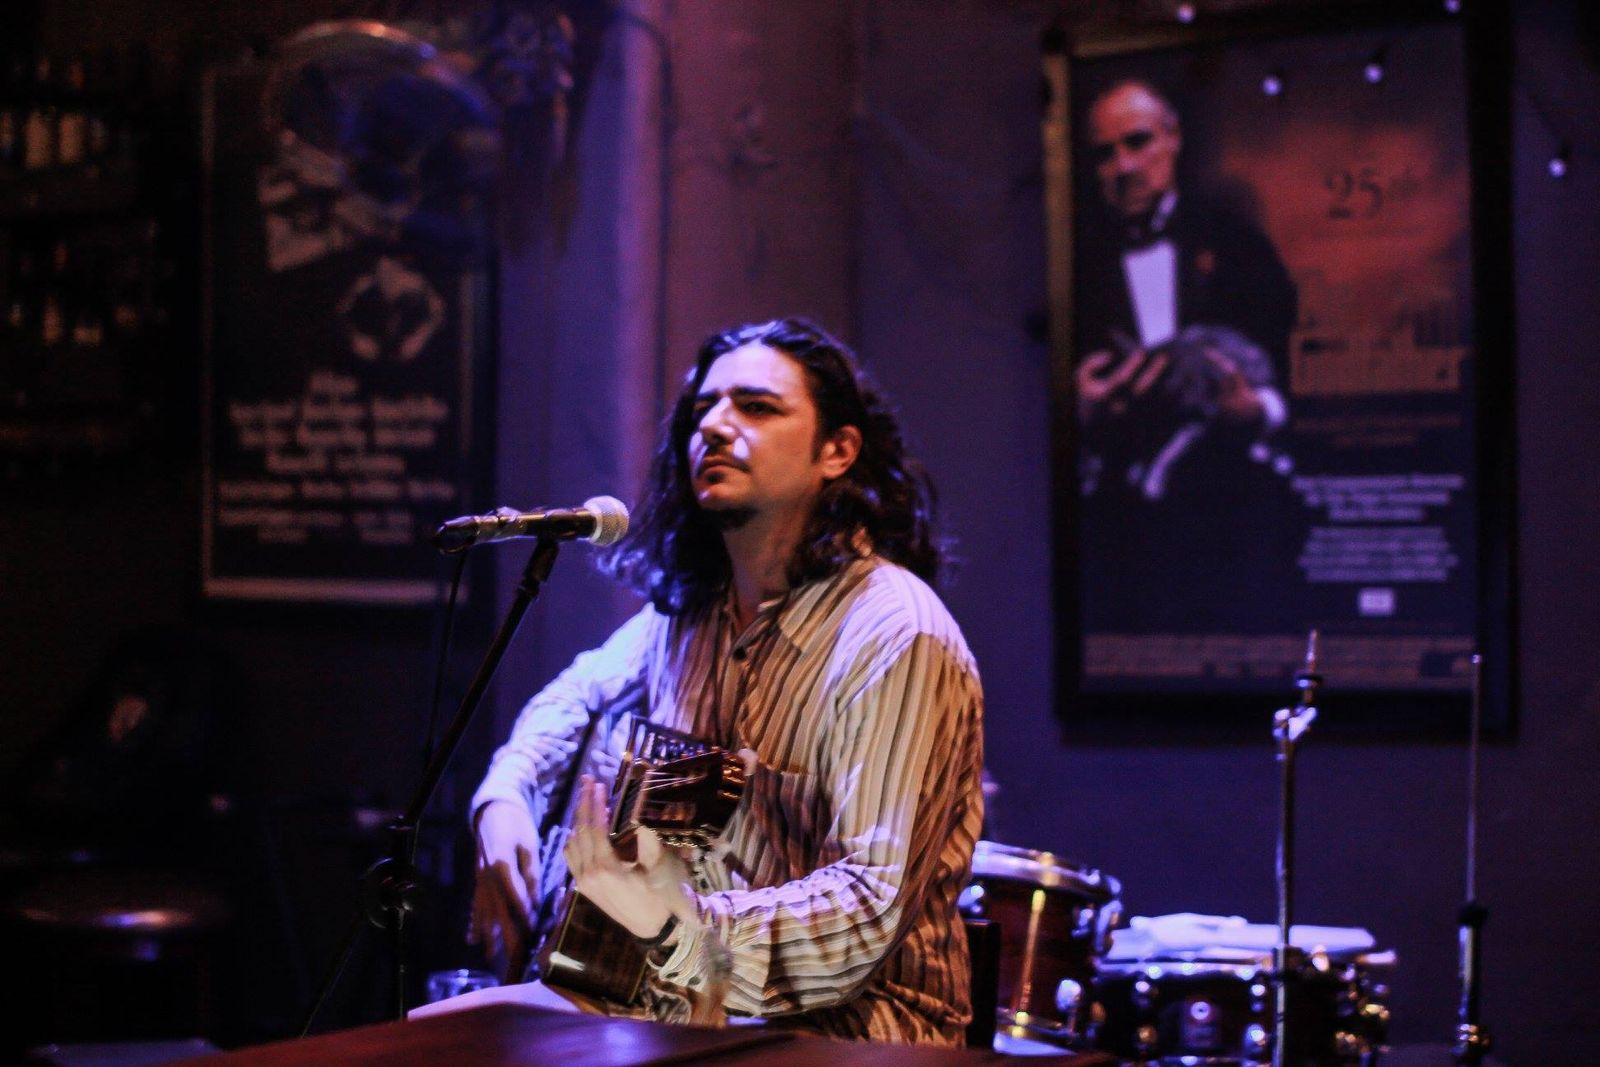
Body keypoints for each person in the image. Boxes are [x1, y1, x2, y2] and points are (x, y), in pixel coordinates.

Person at [436, 318, 985, 1045]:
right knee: (423, 1039)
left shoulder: (896, 634)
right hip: (676, 1013)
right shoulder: (692, 615)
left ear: (837, 451)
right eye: (703, 409)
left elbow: (865, 911)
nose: (715, 427)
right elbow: (574, 698)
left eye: (756, 407)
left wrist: (669, 932)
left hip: (851, 1035)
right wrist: (505, 797)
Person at [1071, 79, 1302, 631]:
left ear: (1173, 138)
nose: (1123, 166)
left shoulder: (1237, 243)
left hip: (1231, 513)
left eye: (1138, 142)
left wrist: (1256, 410)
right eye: (1105, 153)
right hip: (1121, 534)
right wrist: (1080, 409)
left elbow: (1290, 368)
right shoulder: (1076, 262)